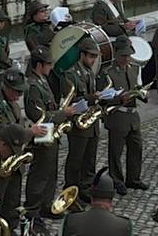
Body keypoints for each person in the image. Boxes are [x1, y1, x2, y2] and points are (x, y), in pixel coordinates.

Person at [0, 68, 45, 234]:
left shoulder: (12, 103)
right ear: (6, 87)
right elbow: (6, 132)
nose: (19, 96)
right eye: (17, 91)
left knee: (13, 197)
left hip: (14, 159)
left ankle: (10, 228)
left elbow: (19, 126)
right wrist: (31, 132)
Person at [24, 46, 74, 219]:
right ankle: (33, 208)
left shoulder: (42, 80)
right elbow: (39, 115)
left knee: (51, 170)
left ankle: (46, 205)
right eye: (48, 64)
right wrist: (63, 114)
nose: (51, 67)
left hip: (51, 131)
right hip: (42, 131)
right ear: (39, 65)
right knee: (40, 172)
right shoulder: (32, 86)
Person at [100, 37, 149, 196]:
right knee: (116, 151)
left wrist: (142, 93)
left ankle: (133, 178)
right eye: (123, 56)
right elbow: (103, 96)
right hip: (118, 116)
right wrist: (119, 99)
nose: (126, 58)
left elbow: (139, 86)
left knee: (136, 147)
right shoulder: (108, 72)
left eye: (128, 55)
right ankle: (116, 180)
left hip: (133, 115)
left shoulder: (135, 68)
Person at [62, 37, 102, 202]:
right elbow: (70, 100)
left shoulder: (91, 73)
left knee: (90, 159)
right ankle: (71, 189)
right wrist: (92, 98)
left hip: (91, 123)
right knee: (75, 160)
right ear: (82, 55)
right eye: (91, 56)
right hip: (79, 124)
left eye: (95, 57)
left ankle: (86, 188)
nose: (93, 60)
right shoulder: (70, 74)